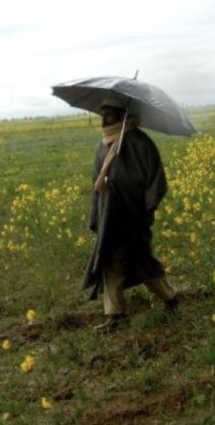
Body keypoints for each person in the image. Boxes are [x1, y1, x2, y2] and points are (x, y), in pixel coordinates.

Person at [82, 105, 178, 332]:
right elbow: (97, 186)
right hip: (110, 216)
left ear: (123, 118)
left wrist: (146, 211)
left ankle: (171, 297)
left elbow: (157, 181)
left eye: (111, 117)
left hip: (134, 215)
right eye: (104, 117)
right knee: (110, 262)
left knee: (142, 261)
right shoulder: (103, 147)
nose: (106, 121)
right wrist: (96, 217)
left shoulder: (141, 143)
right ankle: (115, 316)